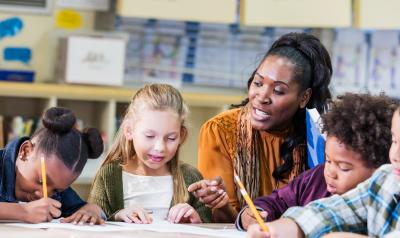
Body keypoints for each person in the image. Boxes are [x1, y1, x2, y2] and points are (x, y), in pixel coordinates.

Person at [188, 32, 333, 222]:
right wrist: (221, 203)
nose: (262, 96)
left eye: (279, 90)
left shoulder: (318, 139)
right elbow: (221, 223)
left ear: (304, 98)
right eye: (257, 82)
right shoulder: (221, 130)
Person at [236, 93, 395, 230]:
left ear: (379, 170)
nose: (330, 172)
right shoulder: (314, 179)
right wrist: (252, 215)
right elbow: (275, 202)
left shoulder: (384, 204)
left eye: (344, 168)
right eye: (328, 160)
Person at [88, 84, 211, 224]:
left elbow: (209, 226)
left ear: (181, 136)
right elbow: (93, 222)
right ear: (129, 131)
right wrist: (117, 216)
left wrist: (196, 221)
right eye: (149, 136)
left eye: (171, 138)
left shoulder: (191, 177)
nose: (159, 148)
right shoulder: (108, 175)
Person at [0, 107, 105, 224]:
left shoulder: (56, 189)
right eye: (41, 181)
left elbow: (85, 207)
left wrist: (91, 211)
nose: (43, 195)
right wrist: (24, 211)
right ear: (25, 151)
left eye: (55, 190)